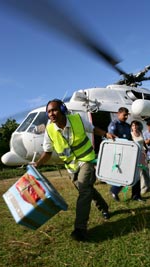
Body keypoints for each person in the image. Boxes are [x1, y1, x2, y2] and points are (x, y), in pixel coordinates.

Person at [32, 99, 116, 242]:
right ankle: (104, 208)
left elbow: (93, 128)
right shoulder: (50, 130)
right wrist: (38, 164)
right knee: (87, 190)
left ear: (63, 110)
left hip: (86, 160)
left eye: (54, 110)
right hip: (71, 167)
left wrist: (106, 134)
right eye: (49, 112)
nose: (51, 114)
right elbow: (47, 152)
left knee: (84, 190)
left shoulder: (77, 120)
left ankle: (80, 229)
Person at [107, 107, 143, 202]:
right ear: (118, 114)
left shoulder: (127, 126)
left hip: (129, 152)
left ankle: (136, 195)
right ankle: (114, 190)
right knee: (125, 174)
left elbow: (131, 139)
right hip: (119, 153)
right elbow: (112, 139)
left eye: (127, 115)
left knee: (135, 173)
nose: (126, 117)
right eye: (124, 115)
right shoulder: (114, 125)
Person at [131, 120, 150, 195]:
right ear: (131, 127)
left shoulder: (140, 133)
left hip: (143, 153)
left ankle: (148, 186)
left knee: (146, 170)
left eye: (136, 125)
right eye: (133, 125)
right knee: (141, 172)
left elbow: (143, 143)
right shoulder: (131, 134)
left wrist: (147, 150)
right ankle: (143, 188)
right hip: (136, 155)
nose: (135, 127)